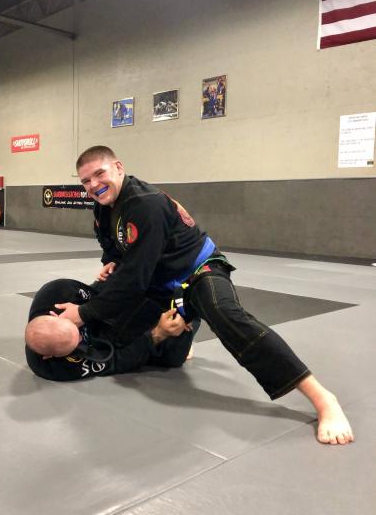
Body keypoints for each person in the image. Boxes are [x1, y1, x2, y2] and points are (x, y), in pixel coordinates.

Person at [55, 146, 354, 445]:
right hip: (161, 282)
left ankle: (323, 398)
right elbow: (110, 243)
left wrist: (83, 313)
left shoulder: (144, 204)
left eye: (100, 174)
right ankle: (185, 326)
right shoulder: (104, 206)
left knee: (224, 313)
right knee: (150, 348)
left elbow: (134, 279)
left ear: (119, 167)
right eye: (86, 181)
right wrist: (111, 261)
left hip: (199, 270)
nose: (94, 185)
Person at [25, 278, 197, 382]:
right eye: (75, 345)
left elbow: (108, 299)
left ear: (56, 316)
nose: (80, 339)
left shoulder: (59, 291)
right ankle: (189, 311)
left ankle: (181, 286)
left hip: (99, 307)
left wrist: (84, 311)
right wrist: (157, 335)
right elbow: (114, 361)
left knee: (140, 293)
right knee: (174, 356)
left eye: (76, 332)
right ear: (50, 356)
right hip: (103, 341)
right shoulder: (54, 368)